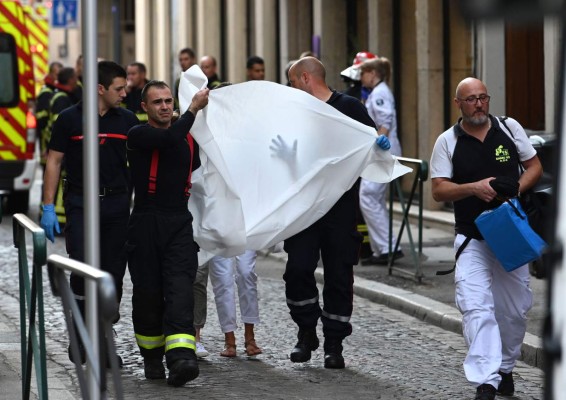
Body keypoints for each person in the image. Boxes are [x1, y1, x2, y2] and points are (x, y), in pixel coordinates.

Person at [430, 77, 542, 400]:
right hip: (472, 237)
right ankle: (487, 380)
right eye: (470, 99)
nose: (478, 104)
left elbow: (534, 166)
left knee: (514, 309)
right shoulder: (447, 141)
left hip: (509, 233)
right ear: (458, 104)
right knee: (476, 306)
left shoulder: (509, 129)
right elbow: (438, 189)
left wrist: (517, 187)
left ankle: (505, 368)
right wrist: (472, 188)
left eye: (483, 97)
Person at [284, 56, 390, 369]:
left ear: (305, 78)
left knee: (339, 276)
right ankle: (306, 332)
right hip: (305, 208)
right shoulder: (295, 113)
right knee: (298, 270)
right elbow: (290, 156)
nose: (292, 88)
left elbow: (370, 147)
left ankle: (334, 343)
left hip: (341, 210)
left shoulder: (350, 108)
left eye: (292, 82)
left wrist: (379, 146)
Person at [40, 61, 140, 366]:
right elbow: (54, 162)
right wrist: (47, 207)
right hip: (82, 204)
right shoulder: (69, 119)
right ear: (100, 89)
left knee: (112, 274)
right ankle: (81, 335)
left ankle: (103, 340)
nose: (125, 93)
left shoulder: (126, 121)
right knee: (83, 270)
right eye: (119, 88)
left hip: (116, 205)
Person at [126, 80, 209, 386]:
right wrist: (193, 109)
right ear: (144, 107)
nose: (164, 106)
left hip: (178, 222)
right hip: (146, 222)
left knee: (180, 291)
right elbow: (170, 138)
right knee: (148, 294)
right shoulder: (139, 135)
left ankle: (181, 359)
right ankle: (151, 357)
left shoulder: (188, 138)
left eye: (168, 101)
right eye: (157, 102)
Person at [358, 57, 403, 266]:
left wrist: (379, 142)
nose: (360, 78)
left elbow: (385, 120)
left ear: (372, 74)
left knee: (368, 196)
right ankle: (385, 247)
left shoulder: (379, 93)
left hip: (382, 151)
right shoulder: (379, 92)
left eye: (363, 73)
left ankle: (387, 247)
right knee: (374, 199)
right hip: (383, 150)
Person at [37, 61, 63, 168]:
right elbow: (41, 120)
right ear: (51, 74)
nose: (59, 78)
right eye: (57, 74)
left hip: (52, 141)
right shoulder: (46, 92)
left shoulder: (55, 91)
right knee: (47, 170)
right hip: (46, 140)